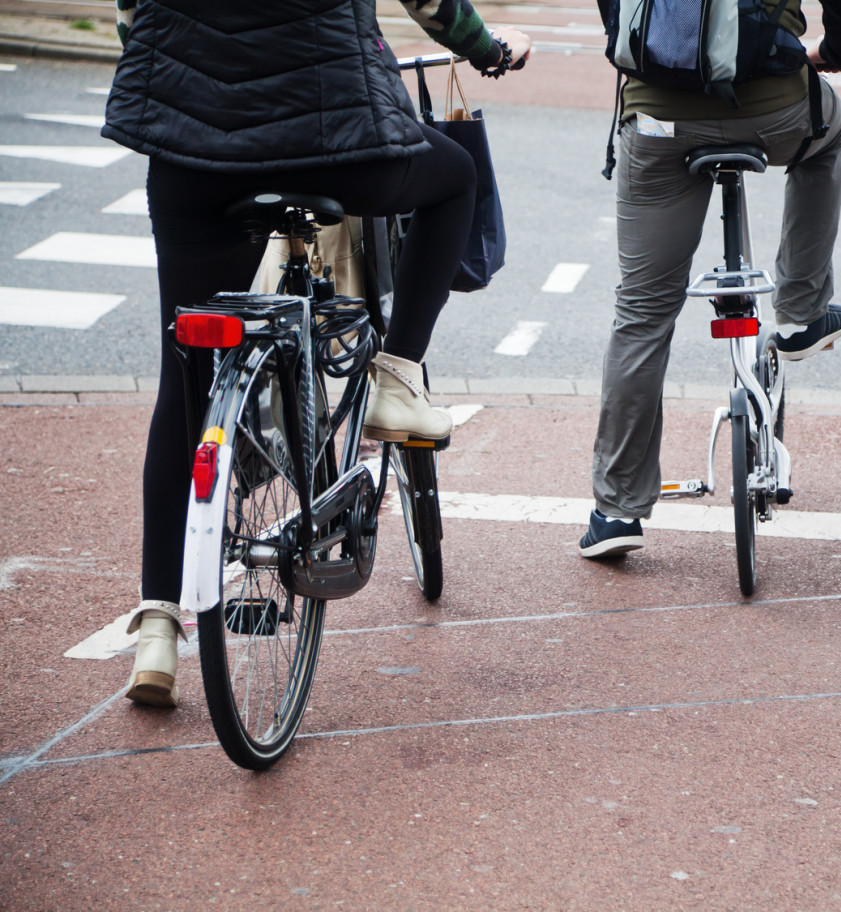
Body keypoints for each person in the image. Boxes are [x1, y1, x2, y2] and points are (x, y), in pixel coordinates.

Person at [102, 0, 531, 708]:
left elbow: (132, 11)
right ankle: (396, 374)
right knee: (454, 179)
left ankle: (156, 628)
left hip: (190, 149)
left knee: (184, 379)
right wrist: (484, 48)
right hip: (334, 140)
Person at [578, 0, 841, 558]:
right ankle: (798, 311)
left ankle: (616, 510)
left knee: (641, 313)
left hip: (656, 117)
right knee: (827, 136)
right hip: (775, 109)